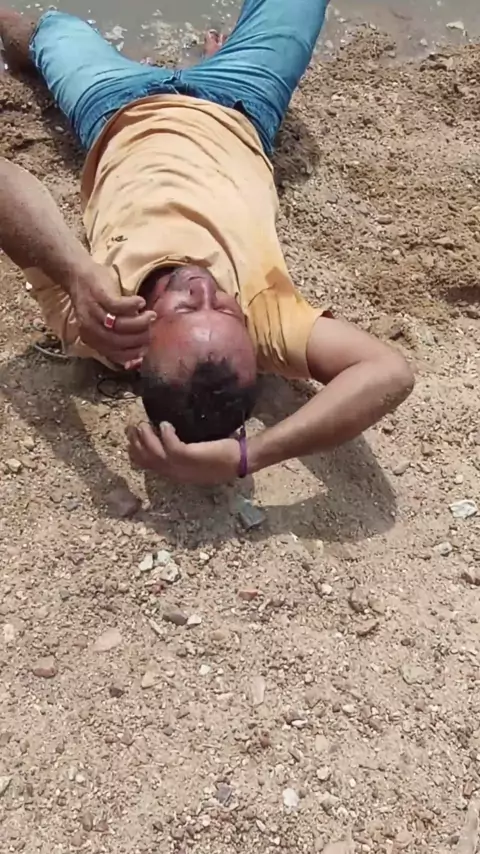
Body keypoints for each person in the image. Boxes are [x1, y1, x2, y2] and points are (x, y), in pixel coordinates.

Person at [0, 3, 414, 485]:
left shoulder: (97, 320)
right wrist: (250, 456)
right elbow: (390, 373)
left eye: (184, 309)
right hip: (240, 102)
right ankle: (224, 54)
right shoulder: (267, 320)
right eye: (225, 309)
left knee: (51, 31)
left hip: (113, 107)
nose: (203, 289)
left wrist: (75, 272)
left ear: (138, 353)